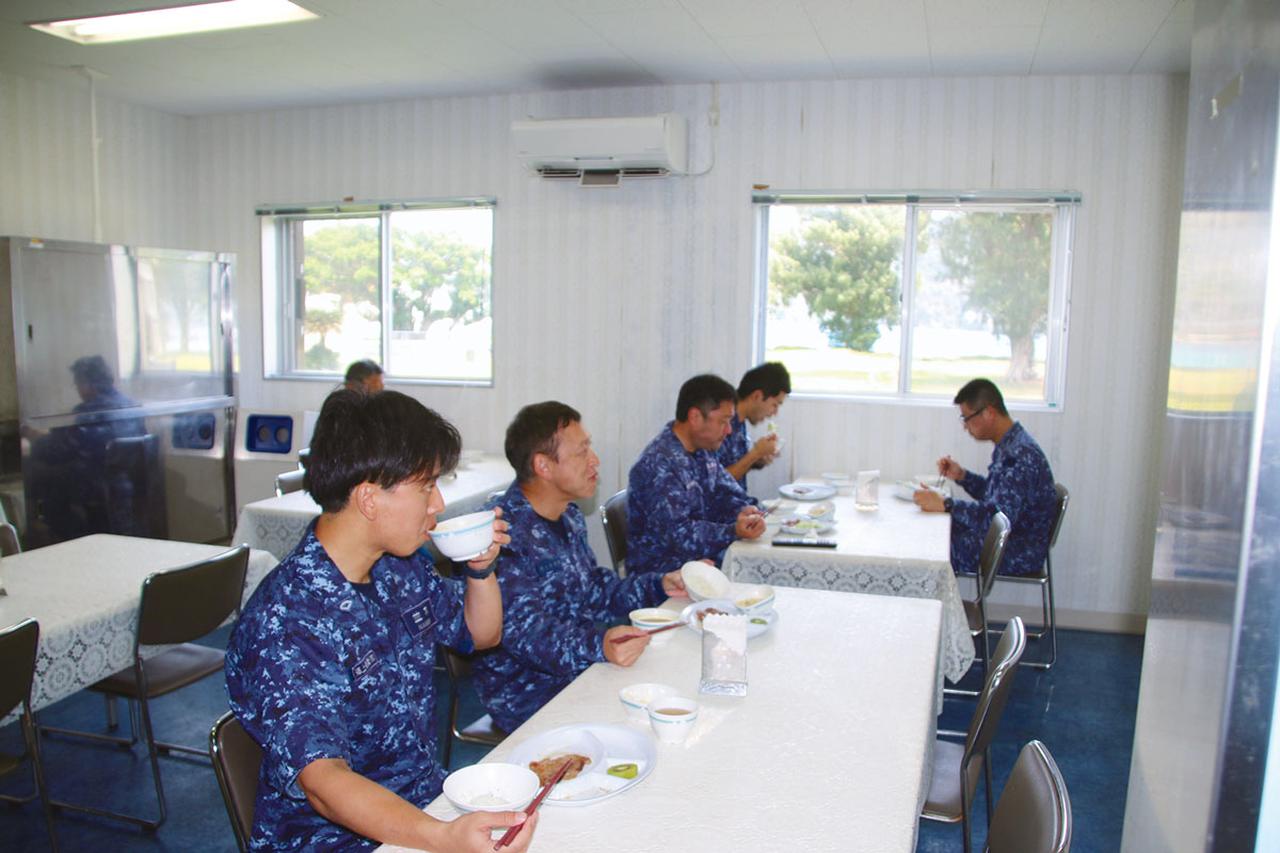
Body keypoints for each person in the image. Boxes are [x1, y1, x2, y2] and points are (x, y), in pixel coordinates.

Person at [224, 389, 536, 852]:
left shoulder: (399, 566)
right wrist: (441, 837)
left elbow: (481, 633)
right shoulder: (287, 620)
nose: (438, 504)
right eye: (427, 485)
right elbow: (323, 781)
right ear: (369, 499)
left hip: (422, 808)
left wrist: (480, 568)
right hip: (336, 841)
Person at [473, 401, 688, 733]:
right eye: (581, 452)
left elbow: (594, 590)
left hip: (583, 665)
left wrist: (659, 585)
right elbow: (526, 636)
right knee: (652, 722)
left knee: (676, 682)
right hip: (530, 693)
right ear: (543, 465)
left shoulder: (568, 515)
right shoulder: (500, 532)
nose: (595, 461)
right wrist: (599, 645)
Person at [914, 378, 1058, 577]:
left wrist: (947, 505)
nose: (965, 426)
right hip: (1006, 540)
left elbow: (998, 517)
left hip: (1016, 550)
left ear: (989, 412)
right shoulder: (1011, 445)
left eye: (967, 418)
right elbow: (996, 497)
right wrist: (962, 476)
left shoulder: (1020, 456)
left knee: (931, 547)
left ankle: (933, 606)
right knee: (932, 533)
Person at [626, 374, 765, 574]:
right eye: (723, 422)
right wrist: (732, 530)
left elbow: (725, 494)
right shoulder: (658, 465)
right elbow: (680, 536)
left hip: (700, 563)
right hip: (665, 575)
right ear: (695, 418)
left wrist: (744, 510)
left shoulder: (703, 451)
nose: (728, 431)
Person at [26, 355, 148, 542]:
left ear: (88, 383)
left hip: (93, 484)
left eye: (78, 384)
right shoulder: (131, 405)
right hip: (124, 482)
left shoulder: (90, 411)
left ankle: (53, 534)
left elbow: (60, 448)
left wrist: (34, 436)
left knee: (38, 471)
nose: (78, 390)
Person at [716, 362, 791, 489]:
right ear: (757, 396)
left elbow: (735, 465)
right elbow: (717, 482)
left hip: (742, 505)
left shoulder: (740, 422)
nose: (774, 413)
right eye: (775, 405)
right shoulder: (722, 423)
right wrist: (755, 453)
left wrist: (759, 459)